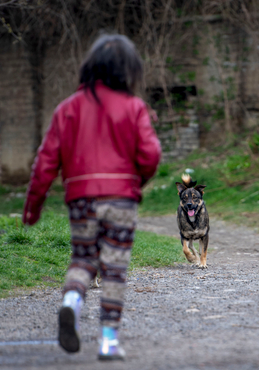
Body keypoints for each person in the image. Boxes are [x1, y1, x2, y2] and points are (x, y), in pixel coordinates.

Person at [22, 33, 161, 361]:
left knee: (83, 259)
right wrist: (135, 181)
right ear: (129, 69)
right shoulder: (133, 107)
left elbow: (45, 162)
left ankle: (71, 302)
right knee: (114, 269)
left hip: (81, 198)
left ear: (90, 66)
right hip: (122, 200)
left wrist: (33, 207)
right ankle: (108, 341)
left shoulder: (67, 108)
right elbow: (151, 154)